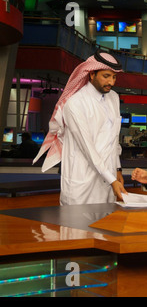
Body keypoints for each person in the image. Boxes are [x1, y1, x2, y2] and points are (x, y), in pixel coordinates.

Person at [33, 50, 127, 205]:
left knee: (105, 227)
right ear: (91, 74)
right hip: (82, 181)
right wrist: (111, 180)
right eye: (106, 76)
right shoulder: (75, 103)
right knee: (75, 229)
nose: (111, 82)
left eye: (114, 76)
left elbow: (113, 139)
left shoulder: (114, 98)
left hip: (108, 181)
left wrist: (117, 169)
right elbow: (87, 147)